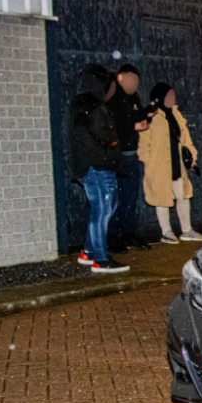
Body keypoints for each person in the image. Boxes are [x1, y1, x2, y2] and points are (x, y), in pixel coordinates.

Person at [68, 64, 130, 273]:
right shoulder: (87, 104)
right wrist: (104, 152)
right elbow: (84, 135)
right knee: (102, 209)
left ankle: (89, 251)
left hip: (101, 165)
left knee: (106, 207)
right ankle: (101, 259)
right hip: (97, 166)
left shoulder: (92, 104)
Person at [139, 83, 202, 243]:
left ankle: (187, 230)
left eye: (173, 95)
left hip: (177, 163)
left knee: (183, 195)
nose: (172, 98)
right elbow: (143, 142)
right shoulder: (152, 116)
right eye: (169, 95)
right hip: (159, 164)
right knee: (161, 198)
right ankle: (167, 232)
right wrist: (148, 160)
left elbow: (185, 138)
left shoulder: (176, 114)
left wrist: (192, 155)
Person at [106, 64, 153, 251]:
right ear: (120, 78)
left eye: (137, 82)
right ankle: (112, 236)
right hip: (117, 157)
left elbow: (137, 116)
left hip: (132, 154)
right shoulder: (112, 97)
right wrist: (133, 127)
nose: (134, 84)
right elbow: (113, 126)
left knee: (130, 197)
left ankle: (128, 234)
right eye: (131, 80)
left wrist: (145, 117)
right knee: (115, 198)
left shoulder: (133, 97)